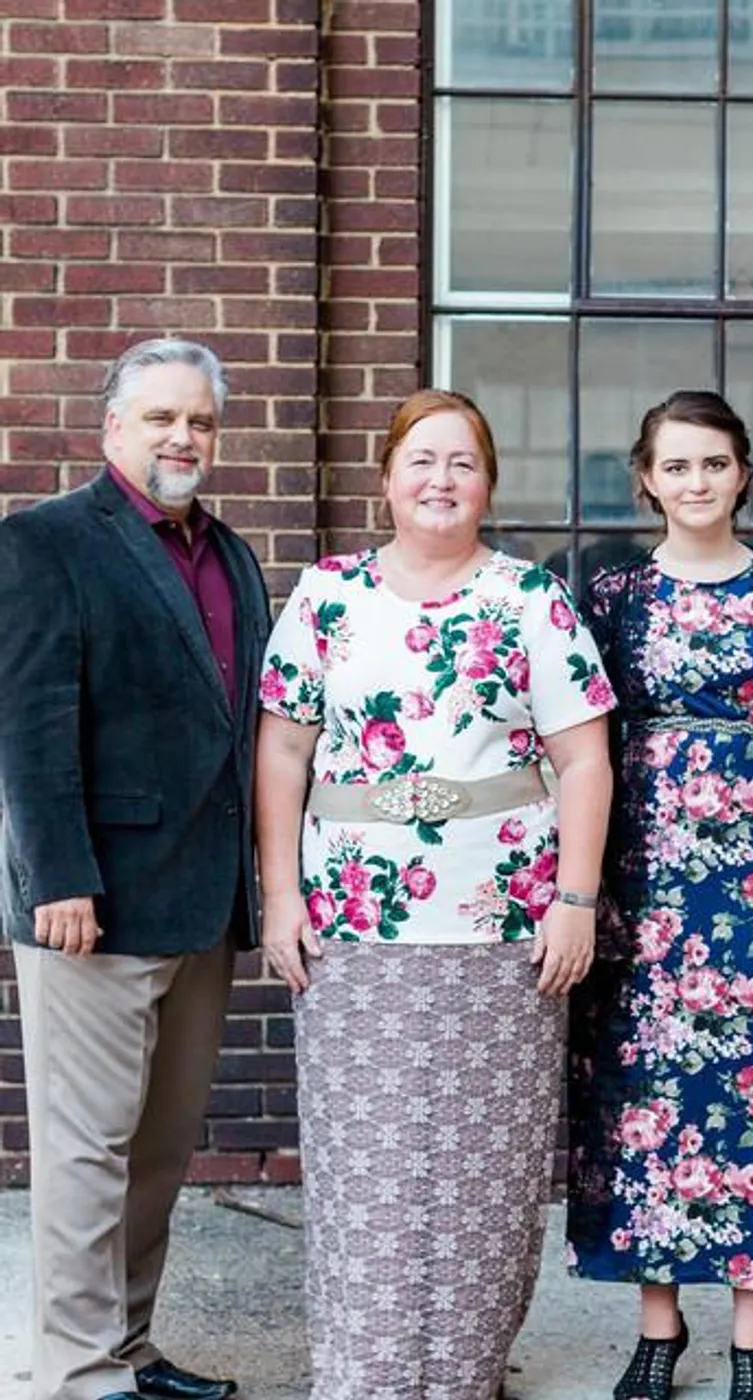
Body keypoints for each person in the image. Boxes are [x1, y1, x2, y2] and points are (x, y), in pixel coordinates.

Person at [253, 388, 613, 1400]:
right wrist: (280, 893)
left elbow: (583, 760)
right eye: (421, 459)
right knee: (365, 1156)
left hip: (503, 922)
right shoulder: (327, 595)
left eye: (461, 461)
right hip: (352, 921)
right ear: (386, 479)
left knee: (481, 1164)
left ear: (488, 482)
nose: (440, 478)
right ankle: (362, 1369)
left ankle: (459, 1368)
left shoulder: (531, 599)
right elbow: (282, 749)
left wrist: (573, 900)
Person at [566, 390, 753, 1400]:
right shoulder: (607, 596)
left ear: (742, 476)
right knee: (641, 1105)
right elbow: (577, 748)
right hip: (641, 885)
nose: (695, 482)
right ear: (645, 478)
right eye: (675, 465)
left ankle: (751, 1336)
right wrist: (585, 888)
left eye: (713, 464)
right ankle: (656, 1324)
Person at [0, 338, 269, 1400]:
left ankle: (131, 1348)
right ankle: (76, 1368)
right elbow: (29, 725)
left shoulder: (230, 553)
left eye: (198, 420)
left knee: (157, 1150)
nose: (181, 437)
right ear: (113, 426)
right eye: (160, 417)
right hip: (91, 899)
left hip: (200, 899)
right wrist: (57, 873)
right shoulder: (46, 542)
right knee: (85, 1150)